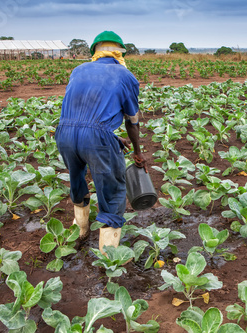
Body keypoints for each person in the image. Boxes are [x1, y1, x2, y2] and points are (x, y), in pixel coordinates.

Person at [55, 31, 146, 254]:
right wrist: (137, 151)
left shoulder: (77, 71)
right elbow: (132, 122)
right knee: (112, 189)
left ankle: (81, 230)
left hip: (64, 134)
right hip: (96, 138)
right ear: (120, 53)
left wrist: (111, 137)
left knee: (76, 179)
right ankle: (108, 254)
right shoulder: (125, 76)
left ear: (94, 52)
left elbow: (81, 119)